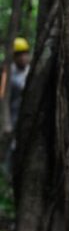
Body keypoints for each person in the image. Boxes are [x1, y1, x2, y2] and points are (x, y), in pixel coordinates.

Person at [2, 37, 31, 173]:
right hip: (12, 117)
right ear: (14, 57)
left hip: (27, 117)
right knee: (11, 149)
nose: (23, 57)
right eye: (19, 54)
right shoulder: (7, 74)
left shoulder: (31, 71)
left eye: (25, 53)